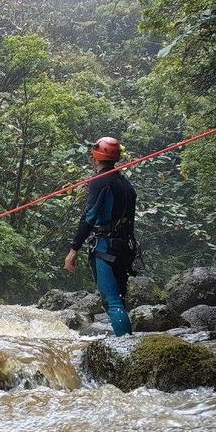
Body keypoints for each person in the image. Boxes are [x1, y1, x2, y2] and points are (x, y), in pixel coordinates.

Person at [65, 136, 137, 337]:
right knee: (119, 299)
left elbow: (89, 217)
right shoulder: (125, 183)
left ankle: (125, 349)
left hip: (106, 247)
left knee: (113, 301)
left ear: (95, 156)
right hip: (124, 246)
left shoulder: (99, 182)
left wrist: (73, 250)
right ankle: (127, 344)